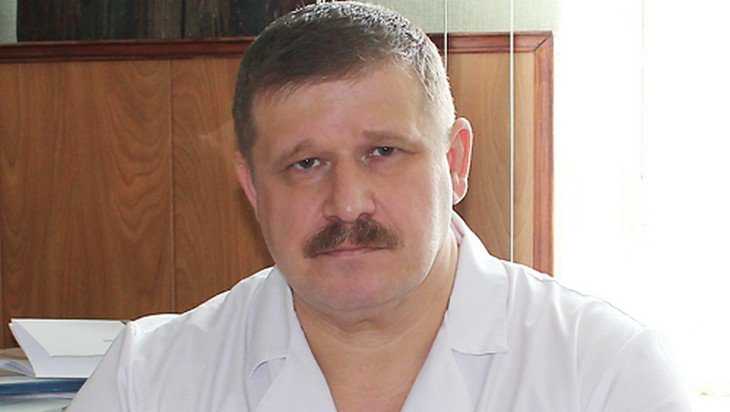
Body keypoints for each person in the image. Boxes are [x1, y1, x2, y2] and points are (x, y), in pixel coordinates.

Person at [68, 2, 690, 411]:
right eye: (305, 164)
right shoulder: (146, 379)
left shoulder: (604, 373)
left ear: (455, 162)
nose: (347, 204)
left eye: (383, 152)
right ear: (253, 189)